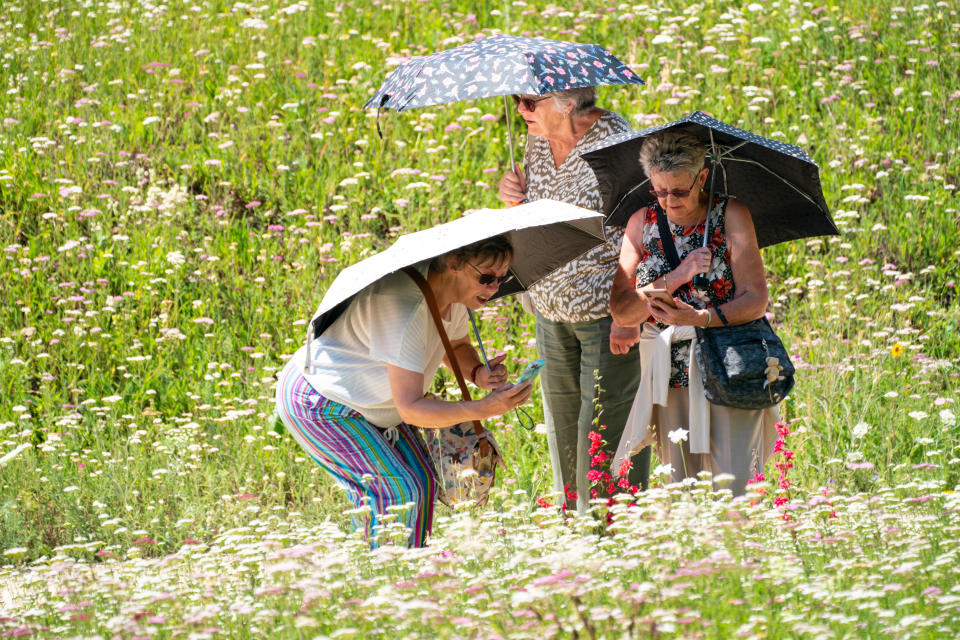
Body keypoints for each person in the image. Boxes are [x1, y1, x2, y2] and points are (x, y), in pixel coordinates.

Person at [275, 236, 532, 547]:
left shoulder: (453, 296)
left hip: (372, 403)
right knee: (398, 490)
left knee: (421, 480)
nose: (494, 289)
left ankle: (407, 574)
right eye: (486, 278)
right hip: (324, 404)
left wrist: (478, 373)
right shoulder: (403, 306)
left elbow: (457, 345)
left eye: (502, 278)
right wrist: (482, 408)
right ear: (453, 264)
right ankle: (389, 580)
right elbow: (411, 408)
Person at [498, 87, 649, 512]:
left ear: (567, 104)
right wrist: (512, 198)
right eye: (518, 102)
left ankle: (612, 525)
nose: (522, 111)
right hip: (549, 308)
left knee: (603, 426)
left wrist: (628, 313)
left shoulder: (616, 142)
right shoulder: (537, 140)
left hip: (606, 312)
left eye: (530, 103)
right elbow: (533, 218)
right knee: (563, 425)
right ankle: (574, 524)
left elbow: (641, 226)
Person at [609, 130, 777, 496]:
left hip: (728, 364)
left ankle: (739, 550)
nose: (669, 201)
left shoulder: (730, 214)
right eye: (659, 190)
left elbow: (755, 300)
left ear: (702, 177)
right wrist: (677, 276)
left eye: (680, 191)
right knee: (680, 484)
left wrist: (701, 319)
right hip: (670, 374)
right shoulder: (642, 223)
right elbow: (622, 310)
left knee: (733, 485)